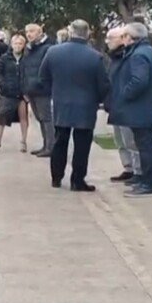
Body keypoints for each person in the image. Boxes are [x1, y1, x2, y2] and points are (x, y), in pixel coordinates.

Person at [39, 19, 110, 191]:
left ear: (71, 32)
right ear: (88, 33)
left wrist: (55, 92)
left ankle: (56, 177)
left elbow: (43, 77)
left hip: (61, 103)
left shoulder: (53, 52)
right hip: (86, 105)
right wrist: (99, 100)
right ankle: (77, 180)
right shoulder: (95, 56)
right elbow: (103, 84)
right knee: (82, 145)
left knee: (59, 141)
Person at [107, 22, 152, 197]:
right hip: (145, 107)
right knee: (146, 145)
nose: (122, 39)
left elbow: (139, 81)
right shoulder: (147, 51)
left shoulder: (138, 55)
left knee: (145, 146)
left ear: (131, 37)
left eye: (124, 36)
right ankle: (148, 180)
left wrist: (124, 94)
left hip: (140, 109)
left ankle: (149, 183)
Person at [0, 32, 30, 152]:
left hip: (21, 93)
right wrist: (3, 85)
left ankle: (23, 141)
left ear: (24, 45)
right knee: (2, 117)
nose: (18, 46)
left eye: (20, 43)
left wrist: (27, 89)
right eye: (15, 43)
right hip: (7, 93)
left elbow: (30, 74)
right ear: (11, 44)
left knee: (23, 117)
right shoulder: (4, 58)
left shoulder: (27, 58)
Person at [22, 23, 54, 157]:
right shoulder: (29, 49)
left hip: (43, 90)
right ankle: (45, 145)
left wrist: (41, 83)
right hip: (32, 90)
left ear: (40, 32)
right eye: (27, 32)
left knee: (46, 118)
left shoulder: (48, 48)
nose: (29, 34)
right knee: (40, 118)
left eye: (32, 31)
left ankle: (51, 147)